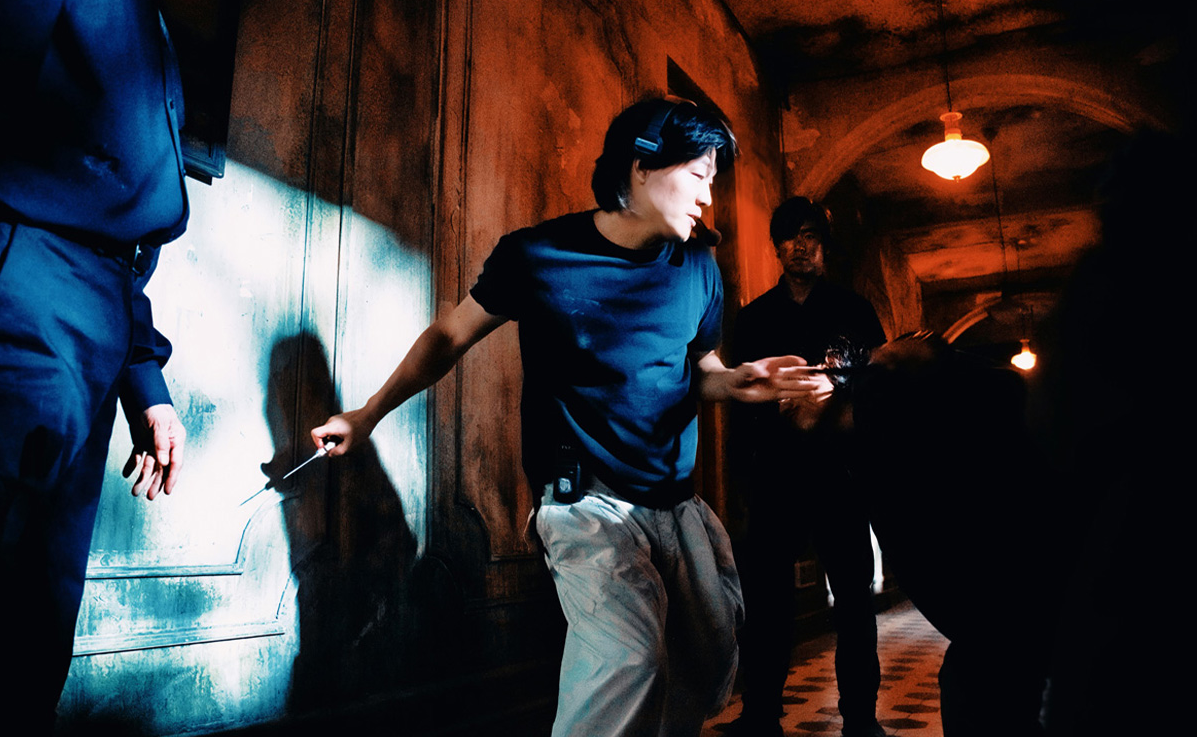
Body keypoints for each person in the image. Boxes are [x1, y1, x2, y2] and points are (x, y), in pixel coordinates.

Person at [312, 97, 820, 737]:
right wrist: (367, 415)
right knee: (628, 661)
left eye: (712, 180)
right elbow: (449, 335)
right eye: (698, 175)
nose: (707, 198)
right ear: (641, 165)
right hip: (585, 503)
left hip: (674, 500)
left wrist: (739, 381)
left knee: (708, 660)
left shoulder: (698, 266)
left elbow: (701, 367)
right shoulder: (538, 255)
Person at [0, 0, 189, 730]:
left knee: (36, 617)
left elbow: (123, 252)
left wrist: (148, 385)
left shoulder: (151, 17)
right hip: (24, 290)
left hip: (97, 318)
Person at [728, 197, 887, 737]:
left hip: (841, 476)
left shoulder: (855, 311)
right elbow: (738, 402)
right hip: (776, 478)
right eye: (791, 236)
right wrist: (743, 480)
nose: (801, 246)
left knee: (854, 601)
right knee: (767, 605)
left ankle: (860, 718)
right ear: (777, 246)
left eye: (811, 235)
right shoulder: (753, 319)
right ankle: (760, 715)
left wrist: (837, 400)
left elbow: (879, 390)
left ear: (824, 246)